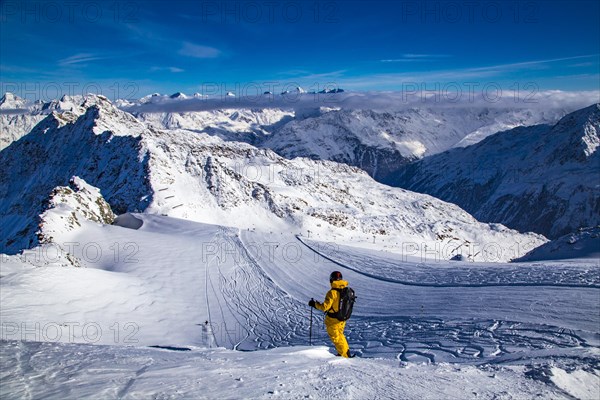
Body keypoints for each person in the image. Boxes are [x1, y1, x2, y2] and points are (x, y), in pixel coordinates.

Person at [308, 271, 350, 358]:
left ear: (331, 280)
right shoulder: (344, 290)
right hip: (342, 318)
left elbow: (325, 307)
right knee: (340, 336)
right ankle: (345, 352)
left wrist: (314, 304)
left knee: (336, 338)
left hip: (333, 320)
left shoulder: (332, 292)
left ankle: (344, 356)